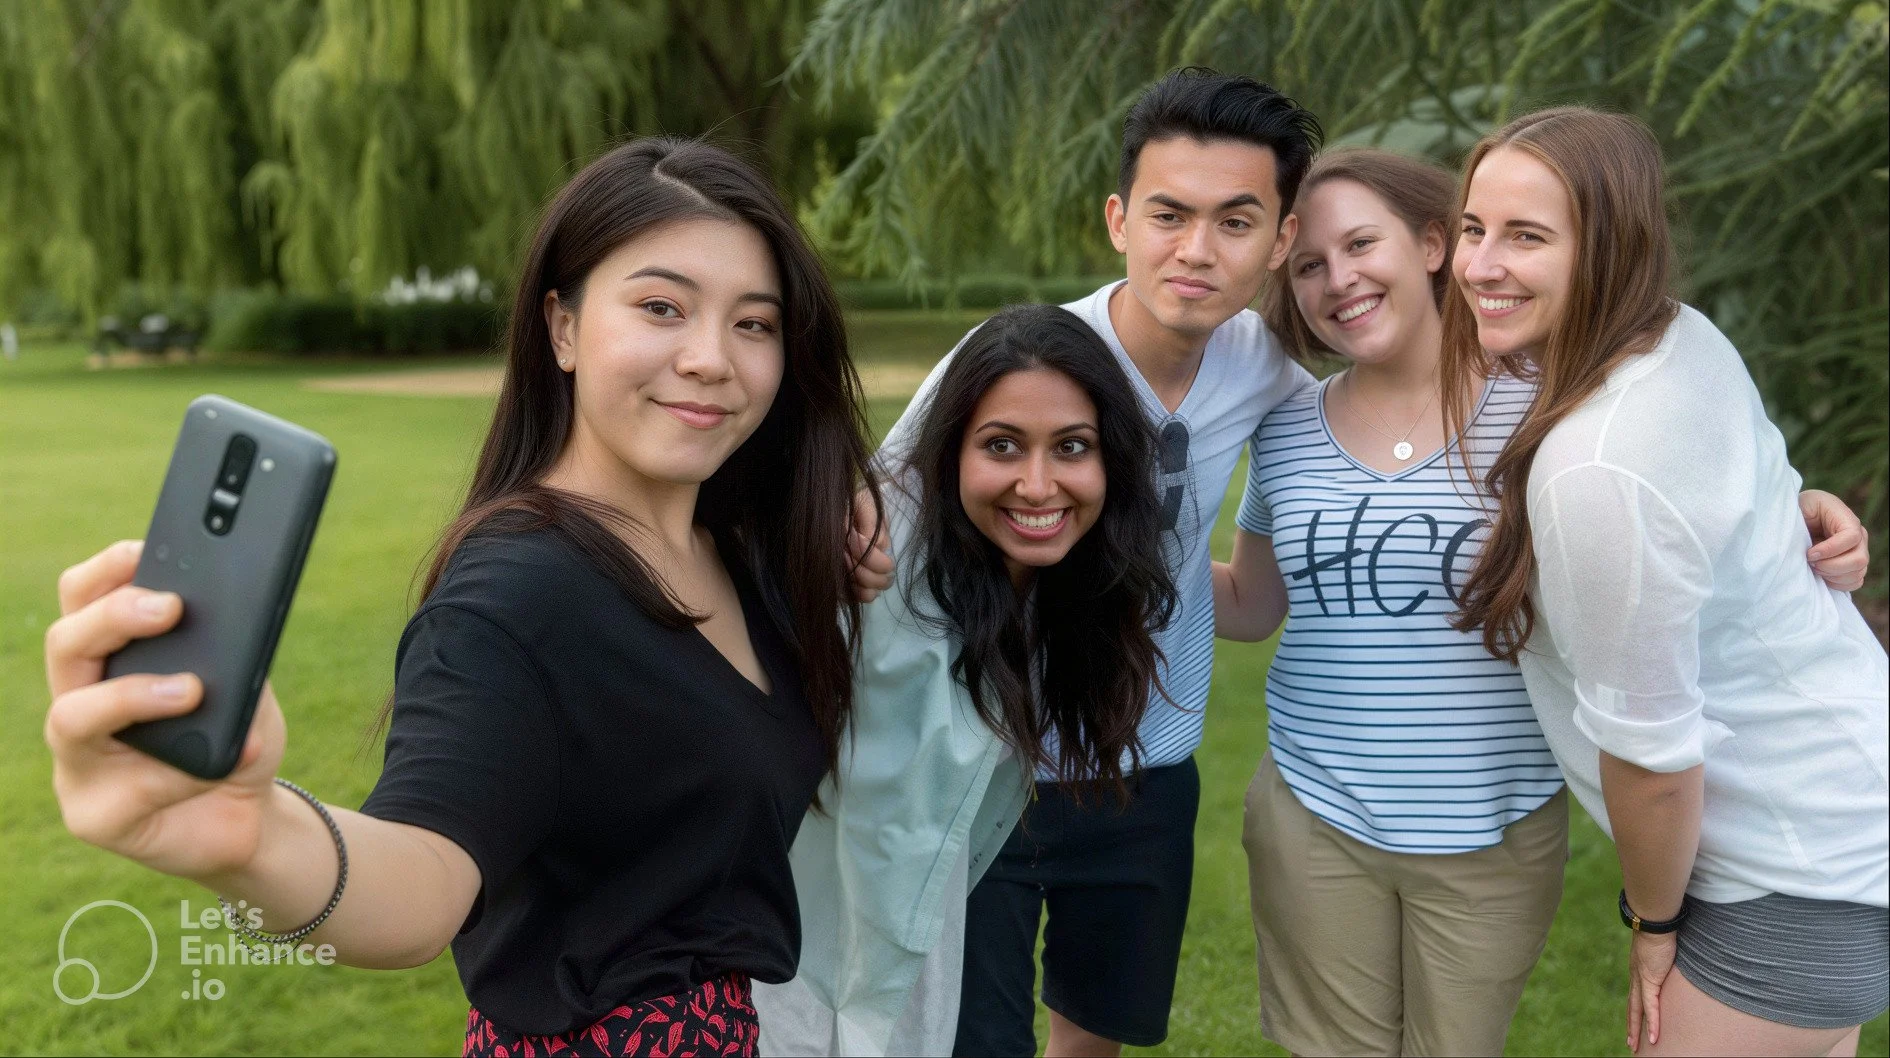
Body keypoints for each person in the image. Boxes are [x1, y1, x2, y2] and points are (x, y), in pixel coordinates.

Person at [42, 137, 878, 1057]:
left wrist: (841, 505)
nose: (712, 358)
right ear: (561, 327)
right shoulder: (520, 593)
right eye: (660, 306)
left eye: (753, 324)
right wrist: (253, 838)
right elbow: (424, 877)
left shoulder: (742, 551)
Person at [1213, 146, 1874, 1057]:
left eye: (1362, 244)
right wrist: (1125, 555)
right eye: (1310, 265)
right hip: (1313, 809)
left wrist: (1803, 513)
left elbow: (1667, 493)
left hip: (1493, 826)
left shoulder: (1549, 412)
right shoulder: (1285, 428)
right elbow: (1251, 601)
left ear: (1433, 246)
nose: (1339, 280)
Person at [855, 67, 1321, 1057]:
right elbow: (868, 527)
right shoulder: (1021, 362)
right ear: (1119, 219)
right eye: (1168, 214)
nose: (1196, 249)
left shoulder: (1269, 374)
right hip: (985, 759)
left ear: (1281, 240)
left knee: (1095, 1036)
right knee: (970, 1040)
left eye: (1236, 221)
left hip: (1144, 768)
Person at [1443, 106, 1888, 1056]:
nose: (1480, 264)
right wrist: (1800, 509)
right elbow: (1737, 510)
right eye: (1475, 228)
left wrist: (1652, 925)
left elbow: (1652, 765)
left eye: (1526, 236)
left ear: (1612, 245)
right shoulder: (1678, 336)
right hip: (1839, 819)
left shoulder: (1596, 467)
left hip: (1788, 870)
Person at [755, 303, 1177, 1056]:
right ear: (950, 450)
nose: (1039, 484)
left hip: (901, 965)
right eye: (1003, 446)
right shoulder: (873, 569)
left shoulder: (1050, 593)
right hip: (786, 974)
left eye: (1072, 447)